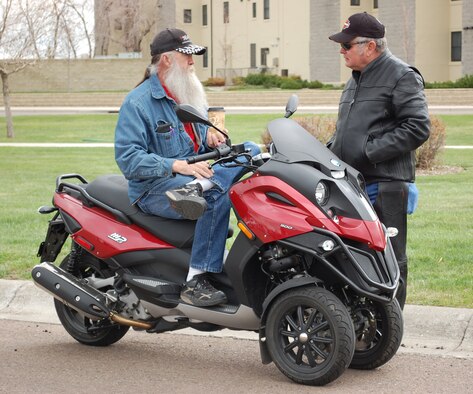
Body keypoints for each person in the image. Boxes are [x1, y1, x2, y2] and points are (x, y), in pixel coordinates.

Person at [114, 28, 260, 307]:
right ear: (167, 60)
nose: (193, 62)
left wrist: (211, 138)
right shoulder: (138, 103)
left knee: (252, 150)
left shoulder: (187, 92)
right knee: (215, 195)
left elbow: (198, 145)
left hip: (195, 177)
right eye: (187, 56)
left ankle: (200, 187)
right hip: (153, 188)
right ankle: (196, 281)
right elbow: (128, 158)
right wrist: (176, 166)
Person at [327, 12, 430, 309]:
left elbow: (417, 127)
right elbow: (347, 131)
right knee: (354, 254)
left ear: (369, 46)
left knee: (388, 257)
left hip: (385, 185)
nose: (341, 51)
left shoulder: (402, 75)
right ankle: (359, 318)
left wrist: (368, 151)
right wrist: (327, 151)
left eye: (347, 46)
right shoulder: (356, 79)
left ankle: (389, 324)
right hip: (352, 183)